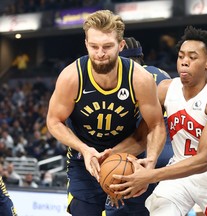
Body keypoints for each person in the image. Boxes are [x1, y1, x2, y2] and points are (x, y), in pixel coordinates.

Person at [111, 26, 207, 215]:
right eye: (181, 57)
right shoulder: (165, 89)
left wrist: (150, 176)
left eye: (192, 57)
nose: (184, 62)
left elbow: (205, 160)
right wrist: (108, 155)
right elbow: (141, 138)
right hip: (178, 178)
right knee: (160, 210)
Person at [46, 10, 166, 216]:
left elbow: (155, 126)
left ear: (120, 46)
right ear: (86, 44)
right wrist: (83, 150)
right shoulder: (71, 76)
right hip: (85, 158)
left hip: (129, 157)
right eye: (94, 46)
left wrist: (151, 162)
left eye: (108, 46)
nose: (100, 53)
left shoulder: (140, 78)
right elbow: (54, 121)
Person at [104, 37, 174, 216]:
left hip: (140, 153)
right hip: (171, 154)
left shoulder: (122, 77)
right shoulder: (163, 75)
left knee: (118, 208)